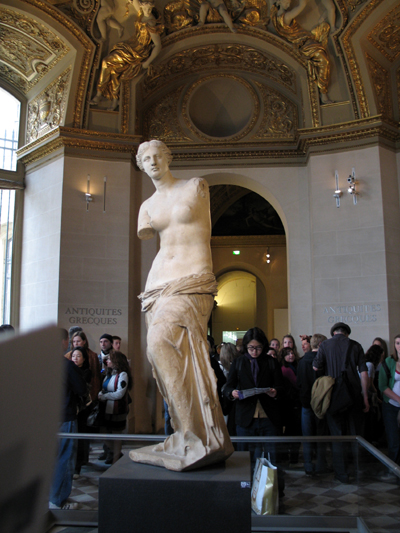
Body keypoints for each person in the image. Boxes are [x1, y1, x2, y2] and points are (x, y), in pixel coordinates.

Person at [129, 139, 233, 471]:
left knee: (161, 341)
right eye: (146, 158)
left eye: (158, 155)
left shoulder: (195, 187)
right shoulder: (146, 206)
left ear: (168, 158)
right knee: (159, 354)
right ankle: (188, 433)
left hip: (193, 280)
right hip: (157, 287)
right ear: (141, 165)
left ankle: (196, 435)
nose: (153, 161)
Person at [313, 322, 369, 483]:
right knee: (355, 435)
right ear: (347, 333)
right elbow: (364, 372)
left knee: (337, 435)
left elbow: (316, 367)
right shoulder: (356, 345)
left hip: (334, 395)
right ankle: (358, 470)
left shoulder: (325, 345)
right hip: (353, 395)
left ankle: (342, 473)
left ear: (333, 333)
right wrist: (365, 396)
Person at [224, 327, 284, 468]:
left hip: (268, 416)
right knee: (246, 460)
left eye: (258, 348)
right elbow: (228, 387)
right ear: (246, 346)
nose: (255, 352)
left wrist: (275, 392)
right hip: (246, 417)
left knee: (272, 458)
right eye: (251, 348)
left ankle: (271, 482)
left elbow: (281, 386)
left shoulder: (270, 362)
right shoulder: (239, 362)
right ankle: (248, 482)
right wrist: (232, 393)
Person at [90, 0, 163, 110]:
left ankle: (100, 95)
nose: (147, 11)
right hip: (131, 46)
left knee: (107, 62)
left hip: (138, 52)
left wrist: (147, 63)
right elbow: (134, 2)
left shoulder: (151, 23)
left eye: (150, 9)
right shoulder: (141, 14)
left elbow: (158, 45)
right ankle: (113, 99)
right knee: (115, 69)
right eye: (145, 8)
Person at [49, 329, 87, 510]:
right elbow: (81, 389)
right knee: (64, 458)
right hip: (64, 416)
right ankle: (57, 500)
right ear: (64, 342)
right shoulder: (67, 366)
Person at [271, 0, 333, 104]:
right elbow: (302, 4)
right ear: (279, 2)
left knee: (325, 26)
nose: (288, 5)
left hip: (307, 41)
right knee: (324, 61)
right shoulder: (285, 17)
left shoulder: (276, 17)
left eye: (289, 2)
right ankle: (323, 93)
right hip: (305, 44)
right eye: (286, 2)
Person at [297, 333, 328, 476]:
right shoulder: (324, 361)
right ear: (321, 345)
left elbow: (299, 383)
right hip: (321, 403)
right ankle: (321, 464)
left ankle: (308, 464)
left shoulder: (302, 361)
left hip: (306, 403)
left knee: (307, 436)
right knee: (321, 436)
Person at [98, 350, 133, 464]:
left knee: (116, 434)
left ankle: (116, 459)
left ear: (116, 361)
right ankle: (115, 452)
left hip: (117, 409)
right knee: (103, 433)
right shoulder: (109, 374)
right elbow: (104, 388)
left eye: (109, 359)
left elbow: (120, 393)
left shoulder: (123, 375)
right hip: (106, 409)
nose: (107, 361)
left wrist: (105, 396)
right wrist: (101, 394)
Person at [70, 346, 92, 477]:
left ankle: (77, 466)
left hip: (82, 409)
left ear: (84, 359)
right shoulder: (69, 370)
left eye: (78, 356)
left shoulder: (86, 372)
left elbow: (81, 389)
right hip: (71, 408)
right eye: (73, 356)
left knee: (80, 438)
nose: (75, 358)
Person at [379, 334, 400, 469]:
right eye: (397, 343)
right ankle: (394, 470)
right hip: (391, 405)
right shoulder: (389, 361)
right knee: (394, 440)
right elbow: (382, 385)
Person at [278, 346, 302, 465]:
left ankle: (290, 457)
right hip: (290, 404)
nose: (291, 355)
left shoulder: (292, 367)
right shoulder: (286, 369)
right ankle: (292, 457)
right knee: (293, 431)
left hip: (290, 403)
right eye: (288, 354)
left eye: (292, 353)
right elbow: (297, 383)